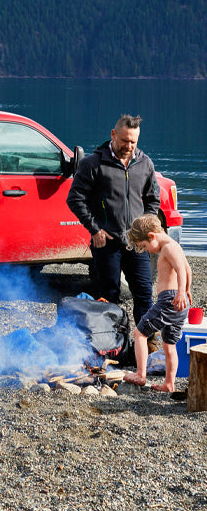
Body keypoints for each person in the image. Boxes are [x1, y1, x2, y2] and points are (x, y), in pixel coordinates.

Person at [66, 114, 160, 328]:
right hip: (106, 242)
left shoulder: (145, 163)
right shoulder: (93, 163)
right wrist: (95, 229)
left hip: (136, 244)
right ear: (113, 134)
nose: (128, 146)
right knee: (108, 297)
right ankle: (110, 345)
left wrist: (145, 227)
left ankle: (145, 345)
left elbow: (154, 199)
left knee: (145, 295)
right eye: (124, 140)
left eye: (133, 142)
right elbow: (74, 198)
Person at [123, 215, 192, 392]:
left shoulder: (168, 248)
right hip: (177, 303)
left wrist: (181, 292)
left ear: (152, 236)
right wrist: (187, 290)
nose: (146, 250)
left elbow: (180, 269)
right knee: (169, 344)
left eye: (144, 246)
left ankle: (140, 374)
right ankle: (169, 384)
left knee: (139, 333)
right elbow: (188, 269)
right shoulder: (174, 246)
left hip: (170, 301)